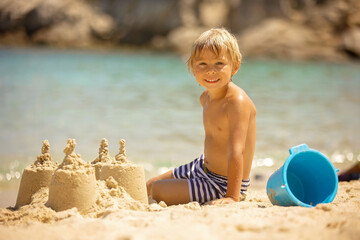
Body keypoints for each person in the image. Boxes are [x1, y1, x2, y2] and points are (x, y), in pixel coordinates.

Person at [146, 28, 256, 205]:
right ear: (192, 67)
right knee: (150, 185)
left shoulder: (237, 102)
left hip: (223, 183)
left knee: (159, 190)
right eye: (202, 64)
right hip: (201, 167)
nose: (210, 71)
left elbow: (237, 151)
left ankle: (229, 193)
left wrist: (231, 197)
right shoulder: (205, 97)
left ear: (235, 65)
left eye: (219, 63)